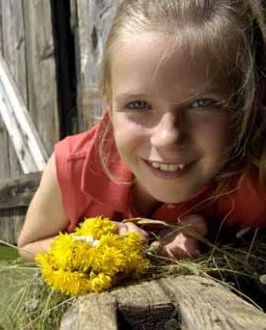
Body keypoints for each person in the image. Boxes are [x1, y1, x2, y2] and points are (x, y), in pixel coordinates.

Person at [18, 0, 266, 261]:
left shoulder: (252, 180)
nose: (167, 136)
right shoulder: (72, 169)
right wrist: (88, 247)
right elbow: (28, 244)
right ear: (108, 102)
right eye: (138, 105)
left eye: (202, 103)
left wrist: (215, 239)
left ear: (245, 105)